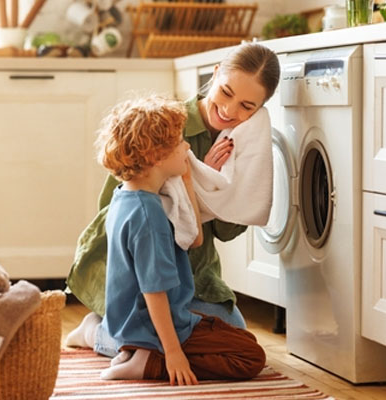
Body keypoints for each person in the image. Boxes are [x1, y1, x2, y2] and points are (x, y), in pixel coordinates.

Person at [66, 42, 280, 356]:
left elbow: (225, 231)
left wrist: (216, 184)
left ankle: (135, 330)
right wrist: (196, 174)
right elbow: (115, 209)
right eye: (226, 92)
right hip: (137, 269)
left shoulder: (244, 140)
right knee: (166, 343)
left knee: (233, 332)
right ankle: (96, 331)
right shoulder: (165, 124)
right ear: (216, 73)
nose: (230, 111)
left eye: (247, 107)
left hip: (192, 274)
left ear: (260, 109)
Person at [94, 95, 265, 384]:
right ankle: (150, 362)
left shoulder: (126, 197)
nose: (187, 147)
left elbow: (195, 239)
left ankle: (133, 350)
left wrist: (187, 180)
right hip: (152, 324)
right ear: (156, 157)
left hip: (134, 321)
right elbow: (154, 293)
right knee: (250, 355)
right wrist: (173, 352)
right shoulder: (149, 216)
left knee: (232, 333)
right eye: (179, 143)